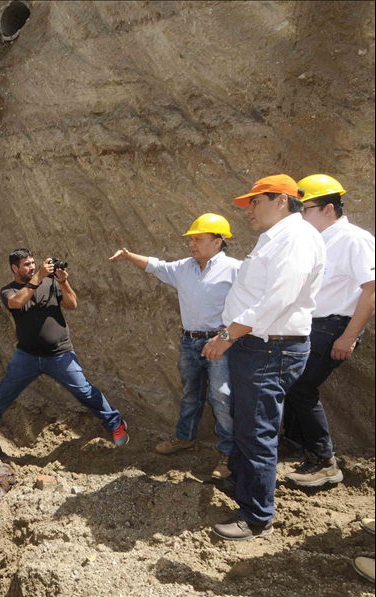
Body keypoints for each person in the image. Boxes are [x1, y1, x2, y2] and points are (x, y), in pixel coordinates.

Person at [202, 175, 325, 541]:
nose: (249, 209)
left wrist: (227, 335)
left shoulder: (297, 238)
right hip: (257, 346)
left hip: (271, 348)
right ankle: (242, 484)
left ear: (282, 201)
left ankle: (256, 517)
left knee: (257, 431)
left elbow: (278, 298)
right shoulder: (275, 238)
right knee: (247, 422)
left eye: (256, 201)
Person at [109, 213, 241, 479]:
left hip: (220, 342)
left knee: (221, 397)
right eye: (191, 239)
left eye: (198, 239)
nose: (192, 244)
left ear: (218, 241)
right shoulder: (184, 267)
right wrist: (129, 255)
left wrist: (228, 339)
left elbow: (249, 308)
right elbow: (157, 266)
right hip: (189, 341)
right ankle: (185, 438)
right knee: (191, 392)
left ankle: (230, 453)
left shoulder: (236, 269)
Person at [0, 249, 130, 446]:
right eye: (26, 265)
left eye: (32, 263)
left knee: (85, 391)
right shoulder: (9, 290)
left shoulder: (49, 283)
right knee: (7, 388)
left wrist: (63, 281)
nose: (31, 267)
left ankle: (115, 424)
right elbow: (16, 303)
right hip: (27, 355)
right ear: (15, 268)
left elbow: (72, 304)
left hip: (60, 354)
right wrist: (39, 276)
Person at [278, 175, 375, 486]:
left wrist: (349, 336)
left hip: (335, 326)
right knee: (291, 381)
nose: (299, 217)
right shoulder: (316, 240)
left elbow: (372, 289)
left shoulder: (354, 240)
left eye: (304, 209)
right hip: (311, 325)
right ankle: (296, 440)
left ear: (328, 208)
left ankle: (324, 462)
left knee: (302, 388)